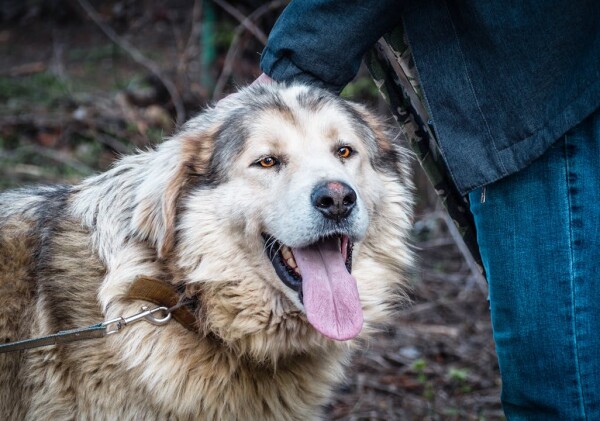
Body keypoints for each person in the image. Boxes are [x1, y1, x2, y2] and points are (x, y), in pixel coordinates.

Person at [254, 1, 600, 419]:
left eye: (345, 152)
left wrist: (293, 63)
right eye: (270, 162)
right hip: (555, 77)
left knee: (559, 391)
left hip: (543, 93)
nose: (336, 193)